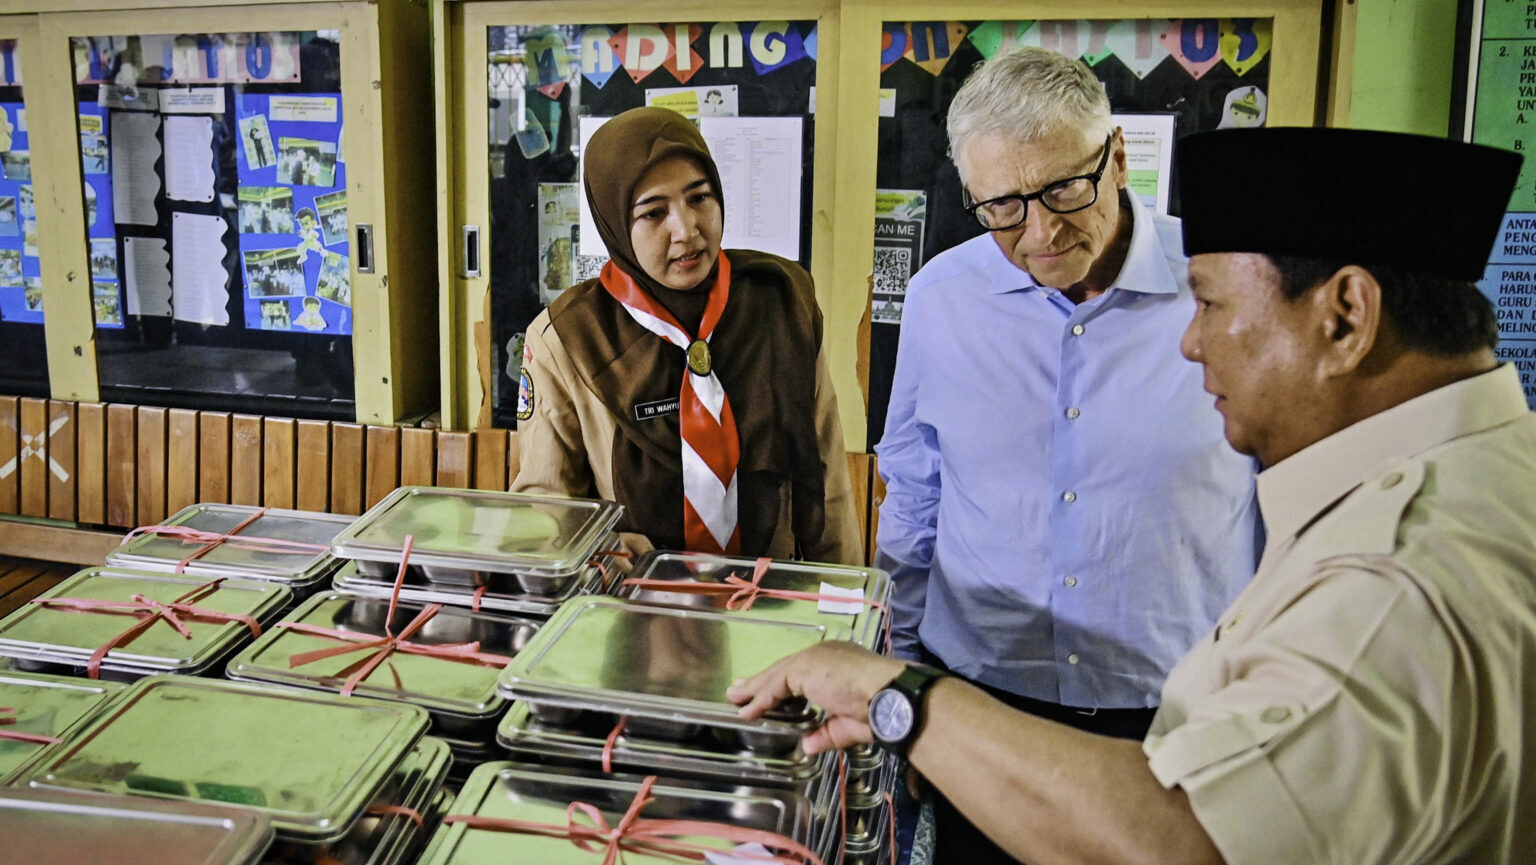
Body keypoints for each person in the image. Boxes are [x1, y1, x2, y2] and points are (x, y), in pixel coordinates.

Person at [730, 127, 1532, 864]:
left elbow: (1186, 842)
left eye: (1211, 304)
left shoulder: (1390, 581)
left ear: (1345, 316)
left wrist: (894, 695)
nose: (1190, 340)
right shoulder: (1483, 474)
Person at [873, 46, 1259, 859]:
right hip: (980, 704)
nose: (1041, 231)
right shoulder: (943, 298)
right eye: (1004, 207)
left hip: (1178, 718)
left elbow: (1281, 505)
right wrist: (906, 679)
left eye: (1063, 190)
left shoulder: (1225, 288)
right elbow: (913, 492)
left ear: (1116, 156)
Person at [511, 106, 862, 564]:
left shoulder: (780, 303)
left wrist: (844, 596)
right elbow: (546, 509)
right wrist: (601, 548)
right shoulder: (570, 339)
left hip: (770, 593)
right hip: (634, 598)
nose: (686, 229)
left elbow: (827, 480)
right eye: (654, 213)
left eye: (699, 198)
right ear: (614, 221)